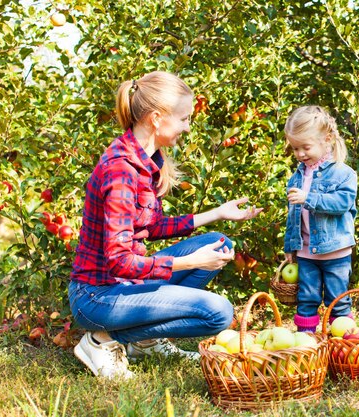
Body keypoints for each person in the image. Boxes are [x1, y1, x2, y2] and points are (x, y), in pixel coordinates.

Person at [68, 71, 262, 379]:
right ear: (157, 118)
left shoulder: (147, 160)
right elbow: (119, 261)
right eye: (184, 118)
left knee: (219, 242)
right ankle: (102, 339)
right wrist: (190, 261)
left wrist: (218, 213)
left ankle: (143, 341)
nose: (187, 126)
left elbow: (153, 227)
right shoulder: (121, 172)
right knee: (218, 313)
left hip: (125, 287)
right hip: (97, 296)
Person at [282, 105, 357, 333]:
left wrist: (309, 198)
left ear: (327, 139)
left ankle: (342, 342)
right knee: (306, 298)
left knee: (338, 300)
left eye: (306, 147)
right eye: (295, 148)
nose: (300, 154)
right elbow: (293, 215)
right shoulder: (298, 176)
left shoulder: (343, 173)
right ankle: (307, 343)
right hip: (306, 252)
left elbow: (342, 204)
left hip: (335, 252)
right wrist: (290, 246)